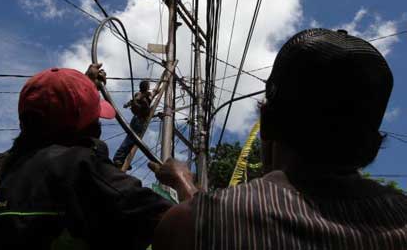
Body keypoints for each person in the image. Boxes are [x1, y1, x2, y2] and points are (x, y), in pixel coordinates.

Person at [150, 28, 407, 250]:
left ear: (267, 123)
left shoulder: (186, 226)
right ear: (373, 146)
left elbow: (207, 220)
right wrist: (185, 183)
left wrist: (183, 181)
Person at [0, 64, 172, 250]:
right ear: (86, 128)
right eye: (96, 118)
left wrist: (81, 87)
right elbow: (190, 226)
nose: (99, 124)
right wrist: (182, 181)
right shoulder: (80, 169)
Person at [113, 80, 154, 168]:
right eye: (148, 86)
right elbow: (138, 100)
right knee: (131, 139)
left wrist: (128, 104)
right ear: (146, 87)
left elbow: (133, 101)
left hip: (138, 119)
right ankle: (118, 158)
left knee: (133, 141)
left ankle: (122, 160)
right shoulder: (142, 95)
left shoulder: (142, 94)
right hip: (139, 119)